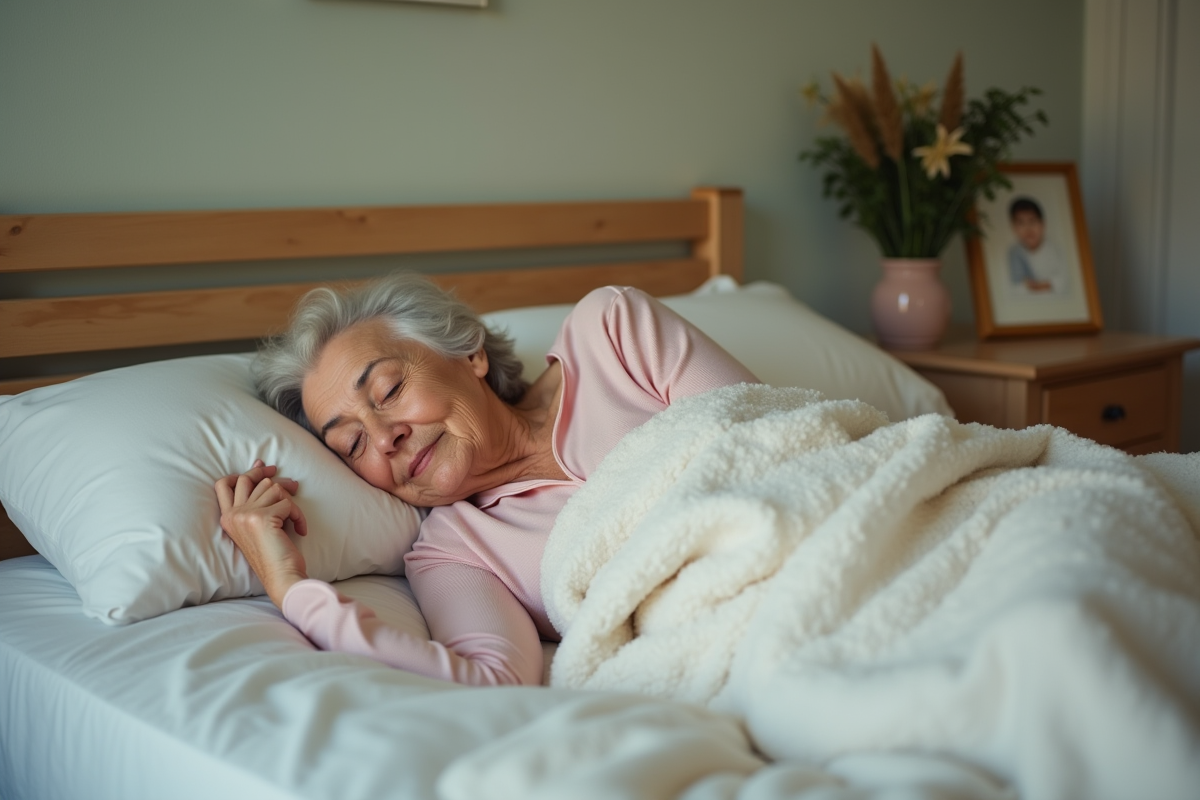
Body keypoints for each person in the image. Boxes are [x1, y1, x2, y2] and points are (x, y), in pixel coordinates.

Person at [214, 273, 759, 686]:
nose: (383, 438)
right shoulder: (454, 552)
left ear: (469, 352)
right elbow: (489, 682)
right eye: (352, 443)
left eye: (388, 390)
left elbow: (764, 441)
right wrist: (289, 588)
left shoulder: (613, 336)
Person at [1006, 197, 1068, 295]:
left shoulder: (1056, 251)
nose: (1028, 228)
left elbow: (1063, 281)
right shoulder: (1014, 253)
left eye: (1032, 221)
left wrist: (1042, 286)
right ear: (1014, 228)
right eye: (1021, 223)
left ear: (1042, 224)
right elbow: (1013, 286)